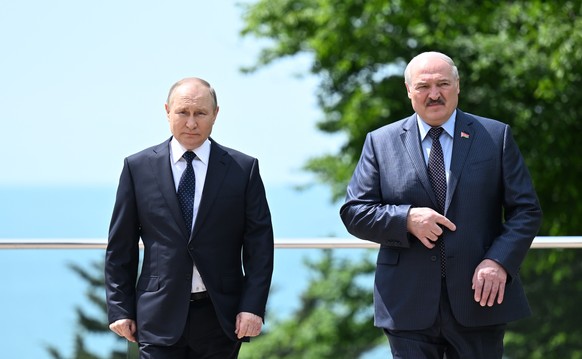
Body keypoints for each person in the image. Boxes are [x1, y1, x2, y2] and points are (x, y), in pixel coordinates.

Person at [340, 52, 542, 359]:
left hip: (479, 300)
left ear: (458, 86)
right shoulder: (380, 142)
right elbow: (355, 211)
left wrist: (498, 261)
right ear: (409, 91)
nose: (434, 94)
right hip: (407, 304)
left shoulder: (495, 136)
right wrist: (405, 219)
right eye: (423, 86)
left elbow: (526, 210)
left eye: (443, 84)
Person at [105, 77, 274, 359]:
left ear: (216, 114)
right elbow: (120, 247)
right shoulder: (137, 168)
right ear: (167, 111)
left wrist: (253, 306)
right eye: (183, 112)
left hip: (221, 318)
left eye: (200, 113)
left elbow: (260, 246)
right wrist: (120, 309)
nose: (191, 123)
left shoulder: (243, 169)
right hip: (157, 317)